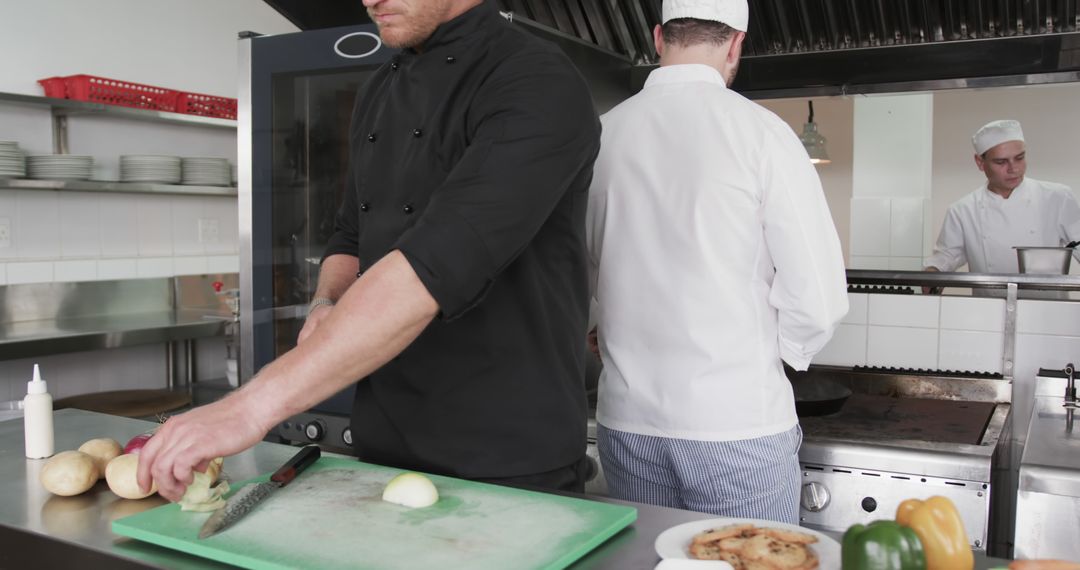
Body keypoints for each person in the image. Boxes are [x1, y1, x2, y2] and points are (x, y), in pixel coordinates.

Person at [138, 0, 601, 501]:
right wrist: (325, 303)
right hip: (386, 441)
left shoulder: (537, 82)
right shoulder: (381, 87)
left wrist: (248, 408)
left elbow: (435, 265)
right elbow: (350, 235)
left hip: (508, 455)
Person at [585, 0, 848, 524]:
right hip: (736, 425)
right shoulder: (762, 133)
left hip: (628, 419)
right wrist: (776, 356)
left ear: (659, 39)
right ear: (735, 45)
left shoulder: (601, 134)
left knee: (649, 562)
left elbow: (578, 265)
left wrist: (601, 325)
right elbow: (818, 296)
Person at [924, 120, 1080, 285]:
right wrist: (933, 273)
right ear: (980, 162)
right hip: (988, 306)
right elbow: (947, 256)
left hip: (1046, 306)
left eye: (1019, 158)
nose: (1014, 169)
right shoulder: (963, 210)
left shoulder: (1057, 197)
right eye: (1001, 162)